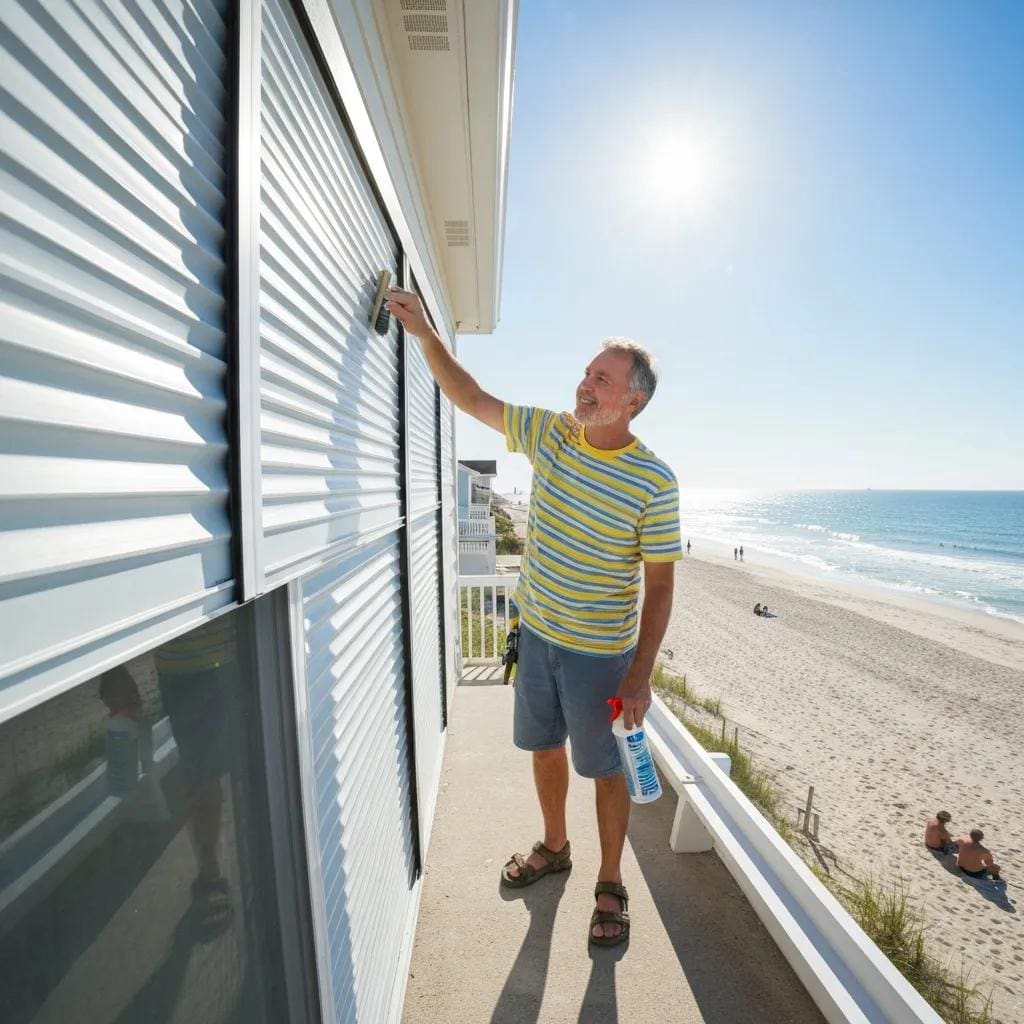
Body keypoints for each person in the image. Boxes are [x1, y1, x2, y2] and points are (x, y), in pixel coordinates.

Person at [385, 288, 682, 948]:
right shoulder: (549, 434)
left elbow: (660, 587)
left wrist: (639, 675)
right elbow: (470, 397)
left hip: (601, 654)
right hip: (537, 635)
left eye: (600, 379)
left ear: (632, 400)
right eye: (585, 373)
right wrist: (428, 334)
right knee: (543, 746)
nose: (584, 384)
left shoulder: (655, 482)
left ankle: (610, 882)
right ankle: (555, 845)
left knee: (605, 769)